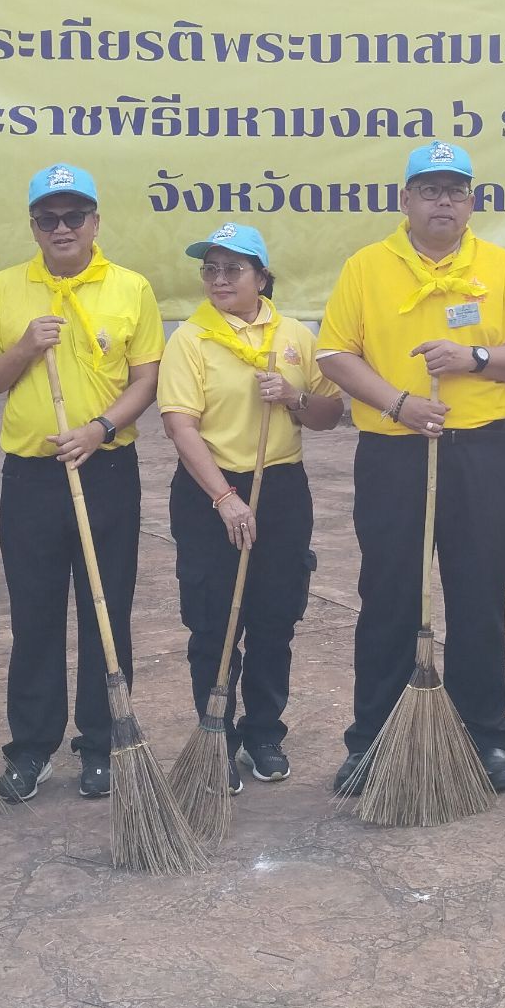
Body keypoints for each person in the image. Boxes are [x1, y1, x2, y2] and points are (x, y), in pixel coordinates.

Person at [316, 140, 505, 796]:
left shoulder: (502, 267)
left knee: (479, 595)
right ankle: (374, 737)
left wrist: (474, 358)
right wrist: (398, 403)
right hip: (395, 453)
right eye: (430, 189)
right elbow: (335, 352)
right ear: (406, 200)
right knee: (388, 594)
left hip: (484, 452)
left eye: (455, 190)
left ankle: (485, 735)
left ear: (472, 201)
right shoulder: (367, 267)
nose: (443, 200)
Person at [0, 162, 164, 804]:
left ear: (94, 223)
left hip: (105, 466)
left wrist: (100, 429)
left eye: (73, 216)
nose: (62, 228)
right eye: (48, 218)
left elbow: (146, 381)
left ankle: (102, 744)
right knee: (34, 614)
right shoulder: (4, 288)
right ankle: (31, 746)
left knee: (106, 612)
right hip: (31, 474)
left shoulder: (132, 288)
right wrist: (24, 348)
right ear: (33, 225)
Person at [158, 222, 343, 790]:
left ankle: (264, 734)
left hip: (281, 487)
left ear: (262, 277)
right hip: (210, 490)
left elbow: (330, 414)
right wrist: (224, 498)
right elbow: (179, 425)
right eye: (210, 269)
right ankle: (216, 732)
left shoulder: (293, 335)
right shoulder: (191, 338)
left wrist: (293, 398)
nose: (219, 279)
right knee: (214, 620)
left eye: (233, 269)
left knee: (274, 617)